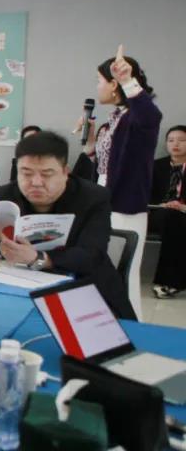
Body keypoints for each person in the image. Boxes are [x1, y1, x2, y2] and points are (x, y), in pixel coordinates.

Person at [0, 131, 134, 320]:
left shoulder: (93, 197)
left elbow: (92, 254)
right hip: (18, 288)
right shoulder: (1, 198)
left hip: (84, 287)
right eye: (26, 173)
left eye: (46, 174)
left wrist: (39, 259)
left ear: (65, 172)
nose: (36, 183)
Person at [90, 46, 162, 318]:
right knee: (104, 271)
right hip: (105, 198)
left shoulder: (136, 115)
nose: (97, 87)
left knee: (123, 272)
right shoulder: (116, 117)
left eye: (99, 80)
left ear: (113, 84)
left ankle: (132, 326)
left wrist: (127, 80)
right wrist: (90, 145)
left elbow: (151, 116)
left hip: (125, 203)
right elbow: (110, 161)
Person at [150, 125, 186, 299]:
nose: (175, 144)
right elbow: (145, 194)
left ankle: (170, 282)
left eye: (182, 140)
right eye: (171, 140)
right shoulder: (156, 166)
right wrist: (163, 205)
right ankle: (171, 282)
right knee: (173, 219)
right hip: (158, 212)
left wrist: (182, 207)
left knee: (177, 219)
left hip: (183, 213)